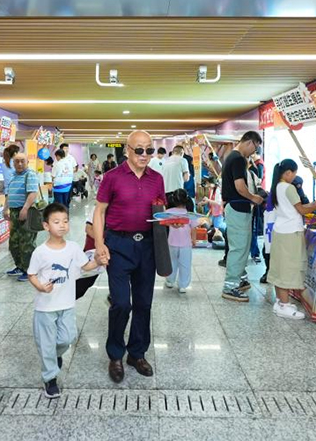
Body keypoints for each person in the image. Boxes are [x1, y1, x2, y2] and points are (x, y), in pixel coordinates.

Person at [93, 130, 165, 383]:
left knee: (144, 303)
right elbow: (99, 212)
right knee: (121, 303)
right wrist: (99, 244)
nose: (145, 155)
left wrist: (172, 221)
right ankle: (115, 355)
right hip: (119, 245)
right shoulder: (112, 177)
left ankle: (137, 354)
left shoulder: (157, 178)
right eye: (139, 150)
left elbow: (160, 210)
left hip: (147, 246)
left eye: (149, 150)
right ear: (127, 150)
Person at [27, 203, 100, 399]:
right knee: (46, 344)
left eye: (65, 221)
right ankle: (50, 378)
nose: (62, 225)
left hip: (66, 304)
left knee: (67, 338)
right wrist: (40, 286)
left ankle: (55, 355)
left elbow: (85, 266)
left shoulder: (73, 248)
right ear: (46, 226)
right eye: (56, 222)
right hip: (45, 307)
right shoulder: (40, 252)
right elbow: (31, 274)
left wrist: (98, 261)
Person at [267, 159, 316, 319]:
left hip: (280, 231)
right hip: (291, 233)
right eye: (294, 173)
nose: (295, 177)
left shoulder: (277, 186)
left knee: (280, 267)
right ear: (288, 173)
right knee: (288, 269)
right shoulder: (289, 188)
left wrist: (314, 205)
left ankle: (280, 302)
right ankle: (285, 305)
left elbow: (295, 208)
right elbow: (301, 210)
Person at [220, 131, 264, 302]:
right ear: (250, 142)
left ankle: (240, 279)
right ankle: (230, 287)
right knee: (239, 248)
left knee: (242, 246)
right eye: (255, 148)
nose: (254, 152)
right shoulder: (238, 159)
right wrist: (254, 198)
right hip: (237, 207)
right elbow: (239, 186)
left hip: (236, 207)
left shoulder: (231, 157)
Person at [5, 152, 41, 281]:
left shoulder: (30, 175)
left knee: (27, 243)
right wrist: (5, 208)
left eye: (22, 161)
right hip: (14, 212)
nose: (19, 164)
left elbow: (33, 193)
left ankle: (30, 270)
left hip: (26, 212)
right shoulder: (13, 176)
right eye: (17, 161)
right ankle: (20, 266)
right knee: (14, 243)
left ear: (27, 162)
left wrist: (25, 209)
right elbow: (8, 193)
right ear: (13, 163)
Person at [163, 189, 196, 294]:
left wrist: (172, 223)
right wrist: (194, 240)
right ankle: (183, 285)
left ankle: (170, 281)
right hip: (186, 244)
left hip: (171, 242)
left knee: (172, 262)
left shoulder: (168, 212)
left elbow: (163, 222)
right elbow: (193, 228)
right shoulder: (189, 214)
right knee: (185, 264)